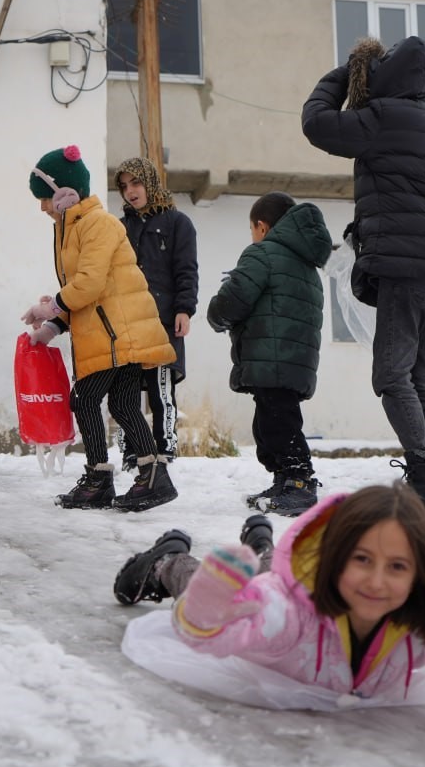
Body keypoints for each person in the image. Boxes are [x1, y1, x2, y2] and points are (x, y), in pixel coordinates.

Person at [112, 482, 425, 706]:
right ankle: (167, 560)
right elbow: (210, 630)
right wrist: (207, 609)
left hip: (298, 581)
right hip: (277, 595)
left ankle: (263, 541)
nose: (377, 582)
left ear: (419, 573)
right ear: (335, 555)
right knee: (217, 584)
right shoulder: (284, 616)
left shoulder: (423, 623)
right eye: (362, 560)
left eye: (397, 567)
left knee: (262, 565)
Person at [301, 35, 425, 523]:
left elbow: (317, 124)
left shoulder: (387, 116)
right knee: (419, 376)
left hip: (406, 265)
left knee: (392, 375)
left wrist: (347, 71)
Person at [22, 144, 178, 512]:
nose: (43, 207)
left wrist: (49, 307)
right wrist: (54, 325)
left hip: (118, 333)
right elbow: (86, 293)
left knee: (85, 398)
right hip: (110, 331)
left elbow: (88, 285)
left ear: (65, 194)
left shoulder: (98, 224)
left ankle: (98, 478)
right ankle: (153, 476)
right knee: (123, 404)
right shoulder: (71, 228)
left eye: (45, 198)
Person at [207, 191, 331, 517]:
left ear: (261, 226)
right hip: (293, 358)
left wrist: (217, 315)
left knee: (278, 422)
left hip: (271, 354)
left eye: (252, 230)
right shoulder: (306, 265)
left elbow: (235, 298)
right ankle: (284, 481)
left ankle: (299, 481)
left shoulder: (262, 254)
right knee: (270, 421)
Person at [112, 156, 199, 471]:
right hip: (127, 322)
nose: (130, 192)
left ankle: (165, 450)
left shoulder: (178, 223)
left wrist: (184, 310)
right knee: (126, 391)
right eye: (123, 186)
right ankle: (132, 451)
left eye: (135, 183)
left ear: (149, 182)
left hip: (162, 319)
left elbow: (186, 270)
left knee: (161, 388)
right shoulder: (120, 228)